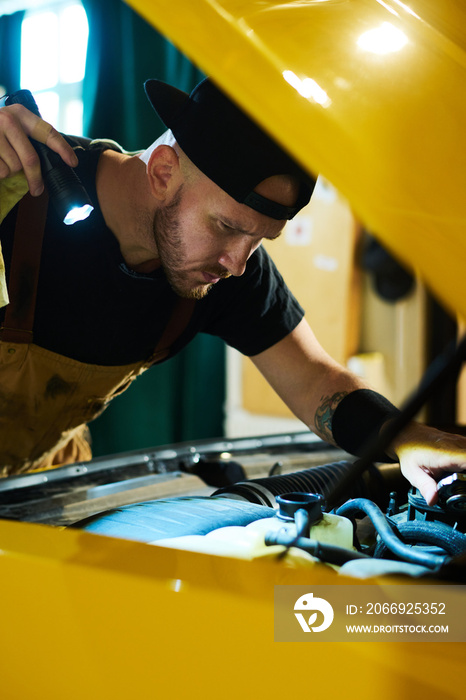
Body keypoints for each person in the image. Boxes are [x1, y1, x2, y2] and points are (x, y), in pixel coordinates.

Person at [0, 77, 465, 506]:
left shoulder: (225, 274)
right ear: (162, 172)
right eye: (226, 226)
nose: (237, 263)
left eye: (259, 239)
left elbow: (315, 380)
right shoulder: (19, 193)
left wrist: (408, 439)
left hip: (41, 479)